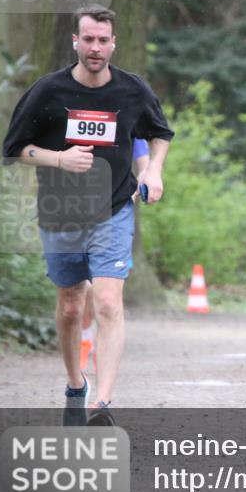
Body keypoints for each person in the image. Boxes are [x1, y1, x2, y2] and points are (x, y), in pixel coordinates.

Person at [1, 5, 174, 425]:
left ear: (113, 43)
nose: (96, 47)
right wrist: (58, 159)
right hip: (60, 214)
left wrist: (153, 169)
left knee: (109, 301)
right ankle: (75, 384)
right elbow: (14, 150)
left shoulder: (132, 91)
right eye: (88, 39)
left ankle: (102, 403)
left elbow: (159, 133)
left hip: (112, 212)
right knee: (71, 305)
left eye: (103, 40)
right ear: (75, 42)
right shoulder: (48, 92)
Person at [78, 138, 150, 373]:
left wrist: (144, 179)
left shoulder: (127, 114)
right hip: (74, 208)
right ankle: (86, 334)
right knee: (83, 289)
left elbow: (143, 156)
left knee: (106, 295)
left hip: (115, 215)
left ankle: (101, 346)